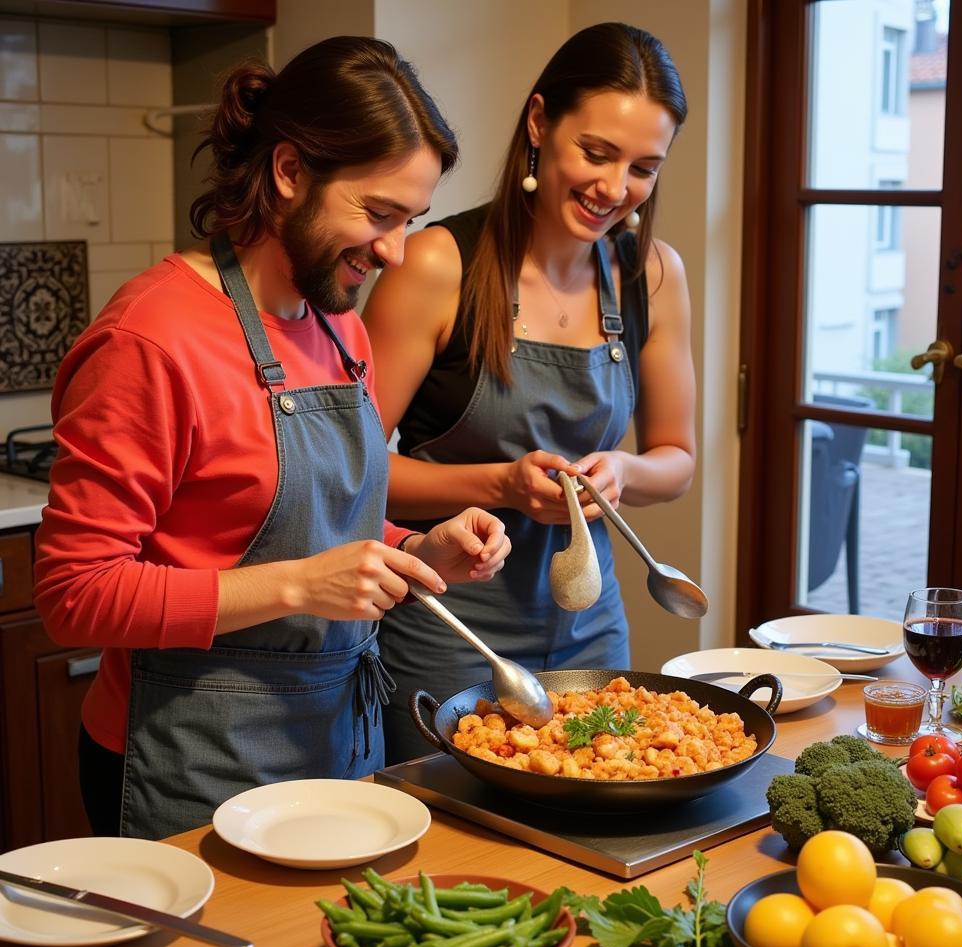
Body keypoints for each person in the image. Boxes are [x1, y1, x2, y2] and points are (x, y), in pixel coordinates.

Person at [33, 36, 511, 842]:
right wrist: (297, 587)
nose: (395, 250)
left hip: (336, 748)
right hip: (191, 761)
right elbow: (73, 595)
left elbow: (323, 528)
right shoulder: (152, 339)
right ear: (290, 173)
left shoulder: (339, 327)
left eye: (411, 221)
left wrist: (416, 553)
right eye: (377, 213)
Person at [362, 22, 696, 761]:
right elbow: (351, 474)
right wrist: (503, 485)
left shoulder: (653, 275)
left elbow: (676, 458)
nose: (615, 188)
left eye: (643, 167)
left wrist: (622, 473)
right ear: (541, 124)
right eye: (597, 153)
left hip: (591, 628)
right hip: (448, 630)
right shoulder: (433, 265)